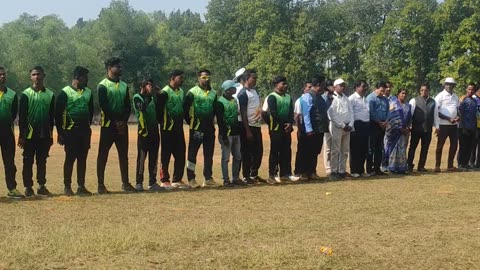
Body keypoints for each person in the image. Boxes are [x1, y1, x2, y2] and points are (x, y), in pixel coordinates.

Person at [96, 57, 134, 194]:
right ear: (109, 68)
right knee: (103, 155)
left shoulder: (124, 86)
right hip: (108, 125)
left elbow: (128, 106)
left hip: (122, 126)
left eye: (120, 66)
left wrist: (123, 121)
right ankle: (100, 185)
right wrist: (115, 121)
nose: (120, 69)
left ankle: (125, 183)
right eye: (117, 67)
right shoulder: (103, 85)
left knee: (123, 155)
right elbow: (104, 105)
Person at [55, 66, 94, 196]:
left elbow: (91, 111)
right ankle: (67, 186)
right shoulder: (64, 92)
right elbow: (58, 114)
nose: (87, 80)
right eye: (85, 77)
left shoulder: (88, 92)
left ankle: (81, 186)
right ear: (78, 78)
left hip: (84, 132)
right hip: (70, 132)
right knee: (70, 159)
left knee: (82, 159)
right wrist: (60, 132)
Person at [18, 66, 55, 197]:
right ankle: (28, 187)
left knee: (42, 161)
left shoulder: (50, 95)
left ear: (44, 75)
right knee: (27, 161)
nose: (36, 77)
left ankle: (41, 186)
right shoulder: (25, 94)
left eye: (39, 74)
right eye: (34, 74)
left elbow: (51, 118)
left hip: (44, 135)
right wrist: (21, 136)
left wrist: (51, 136)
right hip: (29, 135)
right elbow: (22, 117)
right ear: (30, 77)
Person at [183, 69, 218, 188]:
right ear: (198, 78)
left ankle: (208, 178)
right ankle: (191, 179)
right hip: (197, 129)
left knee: (209, 154)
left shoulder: (213, 93)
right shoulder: (192, 92)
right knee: (192, 154)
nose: (206, 79)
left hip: (209, 129)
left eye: (208, 77)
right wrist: (191, 123)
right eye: (203, 77)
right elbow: (185, 110)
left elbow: (214, 110)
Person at [262, 75, 298, 183]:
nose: (285, 85)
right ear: (276, 84)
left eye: (286, 83)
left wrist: (290, 124)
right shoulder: (272, 97)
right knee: (275, 151)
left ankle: (285, 173)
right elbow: (273, 113)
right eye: (283, 83)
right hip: (276, 128)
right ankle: (272, 174)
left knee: (286, 150)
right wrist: (280, 124)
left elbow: (291, 112)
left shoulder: (288, 97)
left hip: (287, 129)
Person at [157, 70, 187, 189]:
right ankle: (164, 180)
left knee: (180, 153)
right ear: (173, 78)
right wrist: (163, 123)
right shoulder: (165, 92)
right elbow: (159, 111)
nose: (182, 80)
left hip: (178, 128)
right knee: (166, 154)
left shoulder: (181, 91)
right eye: (180, 78)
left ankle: (177, 179)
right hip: (167, 128)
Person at [133, 78, 164, 191]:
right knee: (141, 158)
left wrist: (159, 95)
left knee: (154, 157)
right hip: (143, 131)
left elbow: (160, 109)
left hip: (154, 130)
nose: (151, 87)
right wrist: (148, 96)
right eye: (149, 85)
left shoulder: (152, 98)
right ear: (143, 86)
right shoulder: (137, 97)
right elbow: (141, 108)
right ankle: (139, 182)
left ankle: (152, 182)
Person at [237, 69, 263, 184]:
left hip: (257, 126)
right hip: (247, 127)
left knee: (258, 152)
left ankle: (254, 174)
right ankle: (246, 176)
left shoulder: (254, 91)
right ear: (247, 79)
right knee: (246, 152)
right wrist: (247, 131)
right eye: (254, 78)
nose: (256, 80)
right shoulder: (243, 93)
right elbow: (243, 113)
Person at [300, 77, 329, 180]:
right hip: (311, 130)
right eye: (322, 85)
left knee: (315, 151)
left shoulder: (320, 97)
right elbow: (306, 114)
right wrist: (309, 129)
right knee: (307, 151)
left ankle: (312, 171)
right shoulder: (307, 97)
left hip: (319, 129)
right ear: (318, 85)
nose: (323, 87)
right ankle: (304, 172)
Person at [0, 67, 22, 198]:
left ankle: (12, 188)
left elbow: (13, 114)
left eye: (3, 74)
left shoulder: (12, 94)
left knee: (9, 162)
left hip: (7, 133)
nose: (2, 77)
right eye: (0, 75)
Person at [216, 80, 242, 187]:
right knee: (226, 158)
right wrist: (223, 135)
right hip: (226, 133)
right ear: (228, 90)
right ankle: (226, 180)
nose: (235, 90)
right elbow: (220, 120)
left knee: (238, 156)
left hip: (236, 132)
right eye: (233, 88)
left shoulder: (234, 100)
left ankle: (235, 178)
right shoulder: (220, 102)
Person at [407, 83, 438, 172]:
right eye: (422, 90)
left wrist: (437, 127)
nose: (424, 92)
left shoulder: (433, 102)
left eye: (426, 90)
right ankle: (409, 165)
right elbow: (410, 114)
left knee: (425, 148)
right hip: (416, 128)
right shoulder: (414, 100)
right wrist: (408, 126)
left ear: (428, 91)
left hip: (427, 129)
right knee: (412, 147)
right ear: (419, 91)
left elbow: (435, 115)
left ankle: (421, 166)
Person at [327, 78, 354, 179]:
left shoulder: (346, 98)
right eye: (340, 85)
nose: (342, 87)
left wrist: (350, 124)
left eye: (343, 85)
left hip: (348, 127)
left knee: (345, 150)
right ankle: (334, 171)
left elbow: (351, 112)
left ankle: (342, 170)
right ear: (335, 87)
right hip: (337, 127)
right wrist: (343, 125)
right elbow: (332, 114)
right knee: (335, 150)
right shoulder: (332, 98)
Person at [434, 77, 459, 172]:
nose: (449, 86)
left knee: (454, 145)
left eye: (451, 84)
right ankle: (437, 166)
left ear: (453, 85)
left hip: (454, 125)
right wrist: (449, 118)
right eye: (447, 84)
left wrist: (458, 117)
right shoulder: (440, 96)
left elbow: (457, 110)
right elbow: (437, 112)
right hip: (443, 125)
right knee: (440, 145)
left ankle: (450, 165)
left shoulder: (455, 96)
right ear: (444, 85)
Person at [384, 89, 412, 174]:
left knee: (402, 149)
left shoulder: (408, 106)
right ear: (398, 94)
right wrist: (399, 128)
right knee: (393, 149)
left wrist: (407, 128)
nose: (404, 95)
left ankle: (401, 167)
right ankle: (392, 167)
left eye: (405, 93)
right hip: (394, 132)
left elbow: (409, 118)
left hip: (404, 132)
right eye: (402, 93)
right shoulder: (393, 105)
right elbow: (391, 118)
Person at [366, 81, 389, 176]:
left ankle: (377, 168)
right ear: (376, 88)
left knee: (379, 147)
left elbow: (388, 111)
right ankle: (369, 169)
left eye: (384, 91)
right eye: (381, 91)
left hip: (383, 125)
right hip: (373, 125)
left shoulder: (385, 99)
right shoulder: (370, 98)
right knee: (371, 147)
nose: (382, 93)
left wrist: (386, 121)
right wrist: (379, 122)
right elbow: (371, 112)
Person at [348, 80, 370, 178]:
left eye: (365, 86)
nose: (365, 88)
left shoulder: (365, 99)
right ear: (356, 87)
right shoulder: (352, 99)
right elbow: (350, 114)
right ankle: (354, 170)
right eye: (363, 86)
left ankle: (361, 170)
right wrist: (352, 128)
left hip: (366, 125)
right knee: (355, 149)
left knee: (364, 149)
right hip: (357, 125)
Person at [293, 80, 312, 177]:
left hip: (311, 129)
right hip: (302, 128)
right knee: (301, 151)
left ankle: (308, 171)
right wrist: (300, 129)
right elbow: (297, 116)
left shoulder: (312, 99)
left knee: (310, 151)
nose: (310, 89)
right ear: (304, 89)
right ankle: (298, 171)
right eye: (308, 87)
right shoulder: (300, 100)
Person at [457, 83, 477, 171]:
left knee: (470, 146)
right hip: (463, 127)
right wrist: (463, 126)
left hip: (472, 127)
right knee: (463, 146)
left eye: (472, 89)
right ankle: (460, 164)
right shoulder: (463, 99)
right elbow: (460, 113)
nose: (470, 91)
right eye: (469, 89)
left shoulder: (474, 101)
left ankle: (466, 163)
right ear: (466, 89)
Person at [322, 79, 334, 176]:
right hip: (326, 125)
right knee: (327, 148)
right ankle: (328, 169)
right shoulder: (323, 98)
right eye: (332, 86)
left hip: (336, 125)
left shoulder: (335, 97)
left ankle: (335, 167)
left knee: (336, 147)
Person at [469, 84, 480, 168]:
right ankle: (471, 162)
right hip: (474, 125)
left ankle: (478, 163)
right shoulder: (473, 98)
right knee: (473, 144)